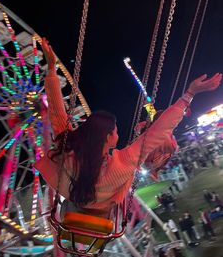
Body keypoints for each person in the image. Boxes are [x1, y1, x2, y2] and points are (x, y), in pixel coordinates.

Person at [35, 38, 222, 218]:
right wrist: (190, 94)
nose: (118, 133)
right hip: (102, 208)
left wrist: (51, 69)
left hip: (73, 197)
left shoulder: (67, 149)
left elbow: (56, 112)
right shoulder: (119, 166)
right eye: (115, 130)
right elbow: (159, 131)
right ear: (107, 137)